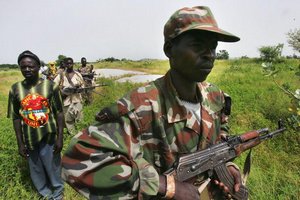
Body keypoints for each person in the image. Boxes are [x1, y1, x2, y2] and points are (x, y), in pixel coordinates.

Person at [61, 6, 244, 199]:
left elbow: (221, 133)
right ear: (169, 50)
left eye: (213, 47)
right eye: (198, 46)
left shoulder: (215, 96)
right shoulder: (140, 106)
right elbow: (78, 160)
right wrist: (166, 186)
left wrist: (227, 164)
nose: (210, 55)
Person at [7, 50, 64, 199]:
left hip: (48, 135)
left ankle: (57, 193)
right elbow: (15, 118)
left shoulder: (51, 86)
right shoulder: (15, 89)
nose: (27, 70)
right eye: (23, 67)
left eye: (30, 66)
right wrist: (20, 143)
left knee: (52, 165)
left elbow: (59, 112)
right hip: (29, 137)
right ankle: (45, 193)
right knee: (36, 168)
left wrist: (60, 137)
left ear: (39, 66)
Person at [53, 57, 84, 135]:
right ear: (65, 64)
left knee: (80, 119)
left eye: (71, 63)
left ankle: (81, 135)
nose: (69, 65)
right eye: (67, 63)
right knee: (68, 121)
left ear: (73, 64)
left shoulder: (78, 75)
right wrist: (62, 93)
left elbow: (83, 86)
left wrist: (79, 89)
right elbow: (53, 87)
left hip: (77, 100)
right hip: (66, 102)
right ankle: (72, 136)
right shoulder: (61, 76)